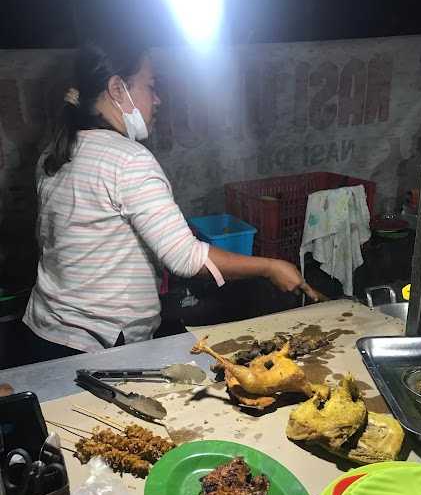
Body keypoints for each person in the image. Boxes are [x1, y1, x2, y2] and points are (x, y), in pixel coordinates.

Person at [22, 40, 316, 362]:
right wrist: (270, 266)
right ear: (117, 89)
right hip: (97, 344)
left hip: (46, 332)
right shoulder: (129, 160)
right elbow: (186, 259)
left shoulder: (54, 152)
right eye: (150, 86)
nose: (158, 99)